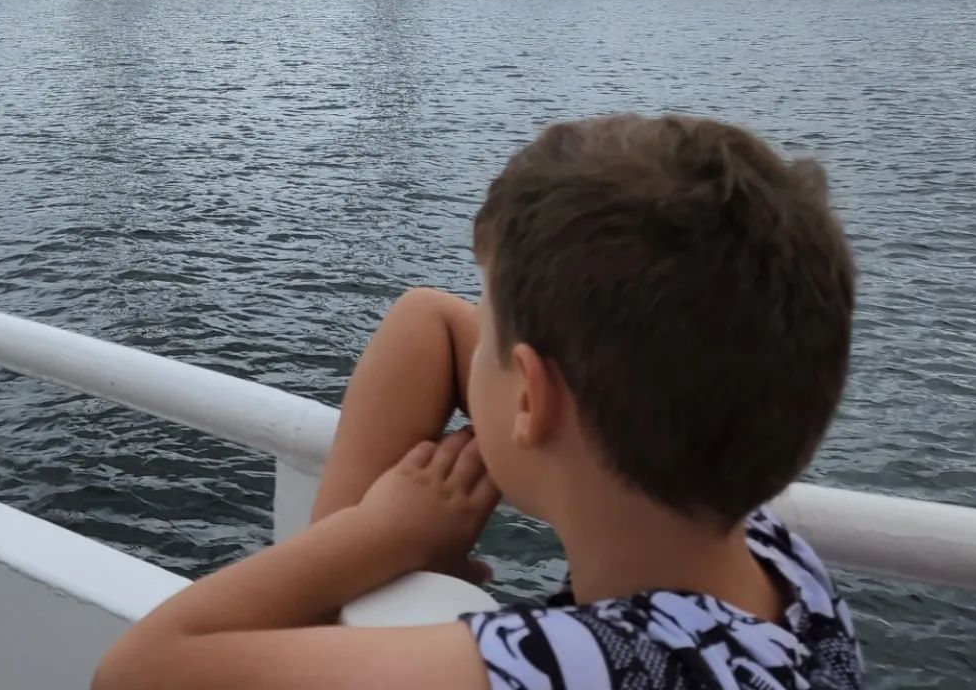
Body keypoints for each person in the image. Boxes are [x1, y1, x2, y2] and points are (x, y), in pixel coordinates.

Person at [93, 114, 862, 689]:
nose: (471, 344)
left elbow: (138, 672)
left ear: (531, 396)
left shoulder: (571, 668)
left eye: (488, 329)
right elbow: (429, 323)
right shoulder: (786, 575)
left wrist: (378, 536)